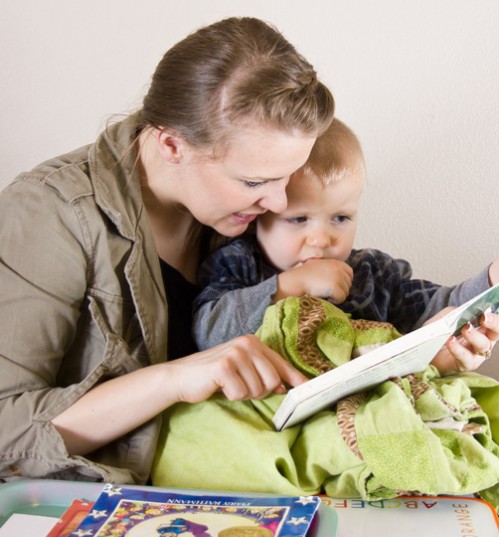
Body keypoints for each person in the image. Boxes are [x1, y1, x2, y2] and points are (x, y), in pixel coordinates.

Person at [0, 17, 336, 483]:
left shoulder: (249, 207)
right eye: (254, 182)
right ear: (172, 145)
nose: (278, 203)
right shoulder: (47, 214)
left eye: (289, 175)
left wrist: (430, 338)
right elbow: (7, 434)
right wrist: (176, 379)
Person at [192, 118, 499, 374]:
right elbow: (208, 335)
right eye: (299, 219)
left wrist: (490, 282)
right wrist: (287, 286)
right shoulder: (238, 262)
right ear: (262, 213)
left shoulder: (372, 273)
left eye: (340, 217)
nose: (322, 239)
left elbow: (440, 305)